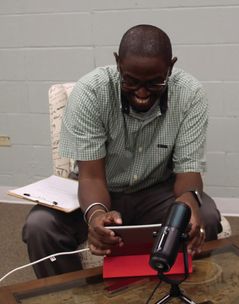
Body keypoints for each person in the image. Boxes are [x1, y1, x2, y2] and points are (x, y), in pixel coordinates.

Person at [22, 24, 222, 278]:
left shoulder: (190, 94)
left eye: (154, 83)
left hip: (156, 190)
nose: (141, 93)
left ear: (170, 67)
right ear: (117, 64)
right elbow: (91, 177)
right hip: (99, 186)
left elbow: (188, 173)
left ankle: (175, 288)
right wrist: (96, 214)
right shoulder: (91, 92)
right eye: (131, 81)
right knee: (40, 226)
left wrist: (190, 201)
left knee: (205, 216)